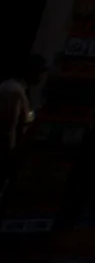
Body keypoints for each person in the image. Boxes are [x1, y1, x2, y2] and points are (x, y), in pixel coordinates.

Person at [1, 54, 47, 200]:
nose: (42, 76)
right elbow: (9, 126)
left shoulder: (17, 89)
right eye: (41, 72)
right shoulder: (13, 91)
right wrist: (11, 155)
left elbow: (21, 118)